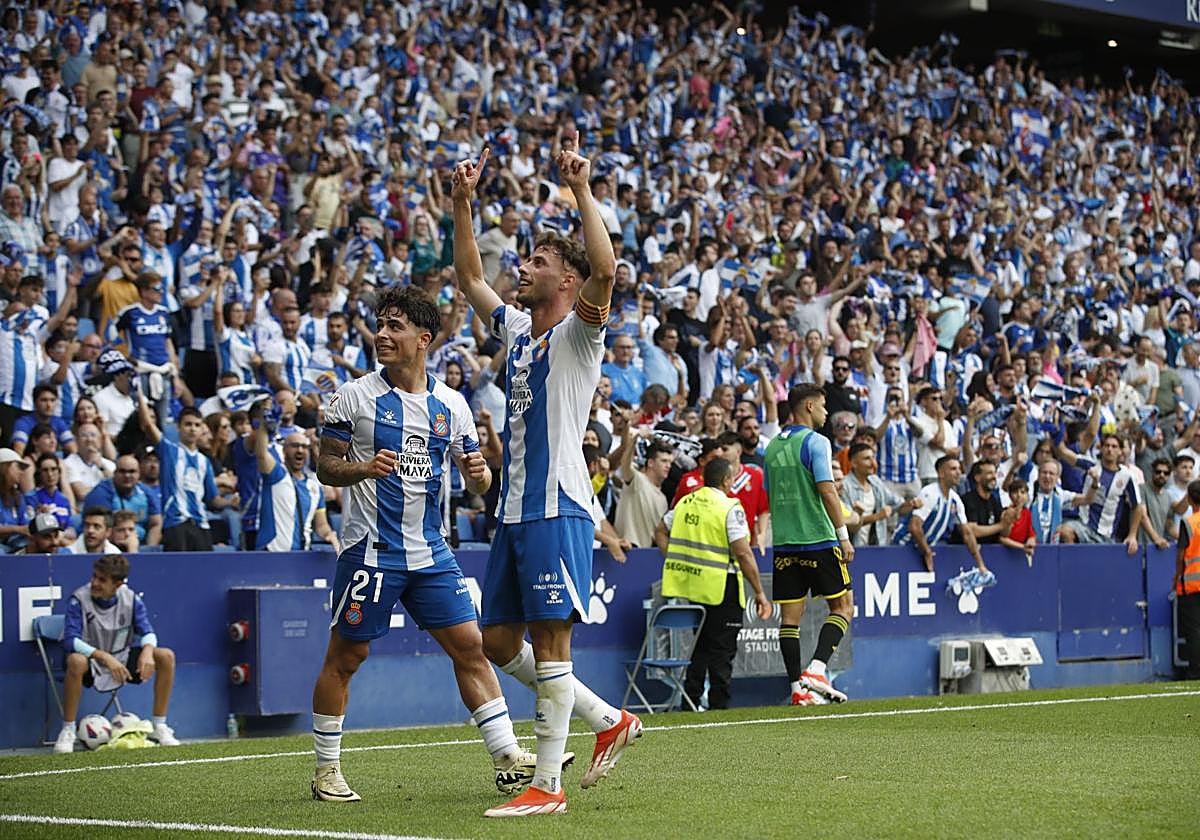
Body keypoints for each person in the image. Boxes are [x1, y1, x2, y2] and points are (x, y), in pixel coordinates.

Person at [453, 138, 641, 818]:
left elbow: (608, 268)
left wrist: (582, 190)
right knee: (498, 644)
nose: (522, 269)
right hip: (512, 513)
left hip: (557, 506)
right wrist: (463, 202)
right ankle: (608, 719)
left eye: (538, 261)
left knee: (551, 643)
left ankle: (547, 789)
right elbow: (469, 276)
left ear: (567, 280)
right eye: (526, 258)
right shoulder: (517, 332)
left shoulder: (578, 335)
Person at [313, 286, 548, 803]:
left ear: (424, 339)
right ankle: (326, 769)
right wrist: (362, 468)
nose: (382, 334)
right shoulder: (354, 396)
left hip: (432, 552)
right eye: (380, 324)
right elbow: (325, 464)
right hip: (371, 551)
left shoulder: (452, 405)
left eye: (395, 326)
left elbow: (480, 484)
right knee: (347, 656)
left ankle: (507, 754)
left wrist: (480, 472)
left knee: (472, 647)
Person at [763, 383, 856, 706]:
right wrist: (843, 536)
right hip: (818, 538)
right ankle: (816, 669)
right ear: (809, 407)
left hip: (785, 545)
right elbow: (827, 490)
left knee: (790, 618)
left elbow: (769, 494)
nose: (827, 412)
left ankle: (797, 690)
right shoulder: (816, 442)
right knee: (844, 607)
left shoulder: (772, 447)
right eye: (823, 406)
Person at [653, 457, 771, 710]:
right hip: (722, 585)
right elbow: (743, 552)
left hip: (694, 586)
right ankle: (719, 705)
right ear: (727, 480)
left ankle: (691, 701)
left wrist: (673, 557)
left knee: (701, 647)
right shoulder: (729, 507)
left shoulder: (686, 502)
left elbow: (659, 531)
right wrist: (760, 592)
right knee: (722, 650)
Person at [54, 554, 179, 753]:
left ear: (118, 584)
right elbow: (70, 640)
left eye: (102, 580)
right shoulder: (78, 598)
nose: (94, 583)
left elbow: (147, 631)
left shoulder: (131, 599)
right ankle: (68, 730)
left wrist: (147, 651)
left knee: (165, 656)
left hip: (121, 658)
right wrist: (104, 657)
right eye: (94, 576)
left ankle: (159, 726)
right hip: (91, 662)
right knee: (76, 661)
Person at [136, 399, 235, 551]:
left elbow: (213, 500)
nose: (192, 429)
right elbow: (149, 425)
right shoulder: (170, 451)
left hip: (201, 524)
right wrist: (140, 396)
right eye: (188, 424)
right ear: (178, 427)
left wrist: (231, 503)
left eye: (197, 425)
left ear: (203, 428)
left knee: (205, 572)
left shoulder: (204, 461)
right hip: (176, 523)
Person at [253, 419, 339, 552]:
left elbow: (321, 525)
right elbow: (261, 454)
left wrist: (329, 534)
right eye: (294, 445)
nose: (300, 450)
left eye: (304, 447)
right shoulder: (277, 474)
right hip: (272, 553)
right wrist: (264, 425)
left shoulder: (315, 486)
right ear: (284, 451)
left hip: (301, 555)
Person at [893, 456, 989, 575]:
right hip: (904, 547)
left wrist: (980, 565)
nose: (959, 472)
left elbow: (967, 533)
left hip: (922, 549)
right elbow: (914, 527)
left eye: (959, 468)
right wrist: (927, 552)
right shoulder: (929, 493)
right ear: (941, 473)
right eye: (953, 469)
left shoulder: (955, 499)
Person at [1061, 434, 1143, 555]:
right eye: (1107, 446)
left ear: (1120, 451)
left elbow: (1137, 506)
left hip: (1106, 534)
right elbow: (1067, 455)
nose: (1110, 449)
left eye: (1114, 446)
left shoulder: (1127, 476)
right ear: (1101, 448)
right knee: (1065, 531)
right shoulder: (1091, 465)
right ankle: (1072, 567)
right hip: (1084, 526)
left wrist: (1132, 535)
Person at [83, 455, 163, 547]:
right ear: (115, 473)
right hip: (109, 547)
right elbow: (99, 528)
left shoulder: (147, 492)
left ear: (139, 474)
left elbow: (156, 523)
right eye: (122, 471)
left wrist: (149, 549)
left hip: (141, 545)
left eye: (132, 471)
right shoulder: (100, 494)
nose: (127, 475)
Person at [1174, 480, 1200, 680]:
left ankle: (1195, 672)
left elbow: (1181, 555)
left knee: (1193, 632)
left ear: (1190, 498)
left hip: (1191, 586)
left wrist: (1176, 578)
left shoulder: (1188, 523)